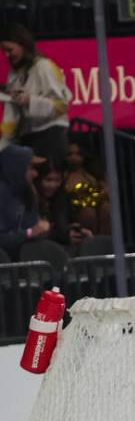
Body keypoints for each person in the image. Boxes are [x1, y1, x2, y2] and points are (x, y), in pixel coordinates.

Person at [0, 24, 71, 167]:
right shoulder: (14, 75)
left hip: (50, 136)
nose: (7, 55)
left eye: (9, 50)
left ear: (23, 45)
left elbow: (62, 105)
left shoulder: (44, 66)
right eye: (3, 51)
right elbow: (11, 115)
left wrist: (30, 101)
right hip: (26, 138)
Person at [0, 144, 50, 262]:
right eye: (30, 168)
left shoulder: (28, 192)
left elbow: (32, 227)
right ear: (16, 167)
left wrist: (41, 231)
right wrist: (29, 233)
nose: (35, 174)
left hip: (26, 261)